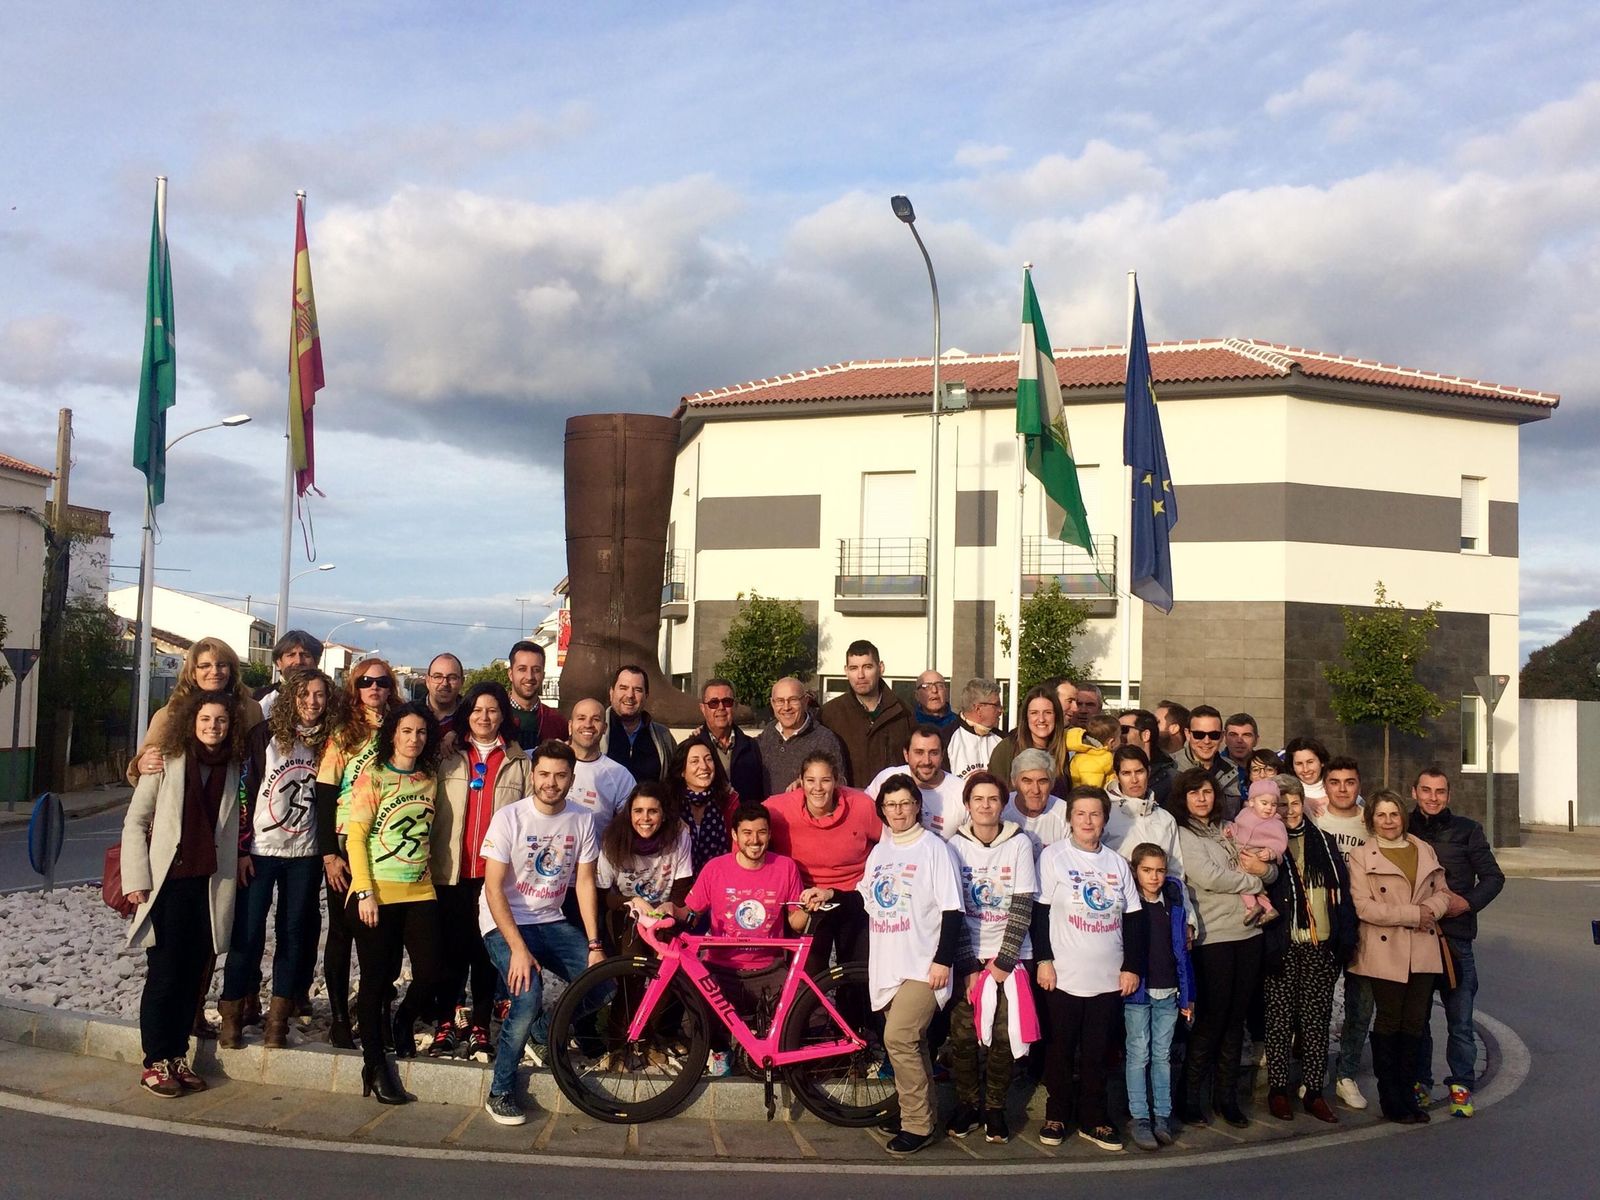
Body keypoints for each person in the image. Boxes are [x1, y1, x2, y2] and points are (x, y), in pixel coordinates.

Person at [121, 689, 245, 1097]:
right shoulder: (167, 760)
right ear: (193, 722)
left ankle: (177, 1055)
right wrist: (136, 879)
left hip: (208, 886)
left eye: (221, 721)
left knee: (192, 975)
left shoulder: (230, 767)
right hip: (167, 885)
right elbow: (136, 822)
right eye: (206, 719)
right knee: (165, 974)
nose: (214, 727)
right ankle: (154, 1061)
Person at [478, 740, 606, 1125]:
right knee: (527, 996)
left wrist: (595, 943)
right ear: (533, 775)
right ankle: (500, 1090)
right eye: (545, 774)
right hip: (504, 923)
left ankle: (542, 1032)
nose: (551, 782)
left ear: (571, 778)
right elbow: (492, 887)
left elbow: (584, 883)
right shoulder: (510, 818)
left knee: (602, 984)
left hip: (549, 920)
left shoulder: (582, 819)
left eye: (560, 775)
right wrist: (517, 948)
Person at [220, 667, 338, 1050]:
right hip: (259, 851)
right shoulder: (264, 736)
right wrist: (240, 848)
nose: (312, 703)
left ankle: (277, 1022)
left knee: (293, 936)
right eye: (305, 695)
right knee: (248, 934)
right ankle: (233, 1014)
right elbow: (242, 791)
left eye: (319, 695)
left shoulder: (333, 742)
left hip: (304, 854)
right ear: (291, 697)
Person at [1030, 785, 1146, 1152]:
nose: (1087, 820)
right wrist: (1044, 960)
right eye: (1080, 813)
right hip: (1063, 975)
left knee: (1098, 1051)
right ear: (1070, 819)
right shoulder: (1052, 857)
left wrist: (1131, 967)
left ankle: (1095, 1118)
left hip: (1108, 977)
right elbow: (1041, 913)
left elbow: (1133, 920)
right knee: (1061, 1048)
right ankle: (1057, 1114)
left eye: (1095, 814)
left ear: (1105, 820)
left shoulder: (1115, 863)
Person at [344, 702, 445, 1105]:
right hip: (377, 893)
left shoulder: (429, 777)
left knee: (433, 971)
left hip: (420, 890)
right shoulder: (375, 776)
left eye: (421, 732)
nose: (413, 739)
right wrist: (364, 891)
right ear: (393, 734)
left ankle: (402, 1022)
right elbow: (355, 837)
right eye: (406, 731)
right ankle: (375, 1063)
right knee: (375, 981)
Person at [859, 774, 964, 1155]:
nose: (898, 811)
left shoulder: (934, 849)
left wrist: (943, 961)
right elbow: (868, 899)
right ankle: (917, 1112)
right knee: (914, 1045)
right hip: (889, 963)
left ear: (918, 805)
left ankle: (917, 1126)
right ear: (882, 810)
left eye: (905, 803)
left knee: (898, 1038)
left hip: (924, 966)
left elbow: (953, 910)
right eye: (890, 805)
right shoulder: (880, 852)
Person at [427, 681, 531, 1060]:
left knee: (485, 954)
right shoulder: (449, 754)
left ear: (504, 714)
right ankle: (445, 1023)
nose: (484, 717)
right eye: (476, 710)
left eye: (492, 710)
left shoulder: (521, 762)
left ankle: (481, 1026)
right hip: (451, 870)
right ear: (466, 714)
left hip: (495, 876)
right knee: (451, 951)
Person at [1167, 766, 1275, 1128]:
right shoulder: (1183, 834)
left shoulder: (1230, 829)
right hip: (1214, 937)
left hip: (1250, 935)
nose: (1202, 798)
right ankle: (1189, 1098)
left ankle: (1226, 1098)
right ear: (1183, 798)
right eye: (1194, 792)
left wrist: (1263, 873)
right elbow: (1208, 876)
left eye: (1208, 792)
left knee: (1236, 1019)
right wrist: (1254, 880)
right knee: (1211, 1020)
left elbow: (1270, 866)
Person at [676, 804, 811, 1075]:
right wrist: (664, 911)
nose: (755, 840)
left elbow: (796, 921)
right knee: (693, 1023)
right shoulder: (715, 868)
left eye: (761, 832)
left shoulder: (785, 867)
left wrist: (808, 907)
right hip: (720, 968)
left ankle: (755, 1042)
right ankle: (727, 1048)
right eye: (747, 833)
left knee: (810, 1017)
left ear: (770, 834)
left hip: (769, 968)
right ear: (734, 835)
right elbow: (689, 912)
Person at [314, 656, 404, 1048]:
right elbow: (325, 792)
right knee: (342, 931)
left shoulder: (401, 726)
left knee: (385, 934)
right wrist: (329, 854)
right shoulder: (344, 732)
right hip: (347, 842)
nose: (374, 689)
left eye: (381, 682)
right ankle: (337, 1017)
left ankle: (378, 1009)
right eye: (366, 682)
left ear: (391, 688)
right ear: (355, 687)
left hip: (388, 843)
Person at [1346, 789, 1451, 1124]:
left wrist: (1430, 910)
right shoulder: (1361, 857)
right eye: (1381, 815)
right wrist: (1412, 915)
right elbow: (1363, 906)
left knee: (1415, 1023)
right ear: (1371, 820)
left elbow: (1444, 893)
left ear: (1403, 816)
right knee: (1389, 1021)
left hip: (1422, 946)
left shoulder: (1424, 849)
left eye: (1394, 814)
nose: (1388, 821)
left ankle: (1409, 1094)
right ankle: (1390, 1097)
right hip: (1384, 947)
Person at [945, 771, 1038, 1145]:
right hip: (968, 957)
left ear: (1003, 804)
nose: (985, 806)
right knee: (964, 1036)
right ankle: (968, 1105)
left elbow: (1022, 904)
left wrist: (1002, 962)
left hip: (1010, 958)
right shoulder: (952, 846)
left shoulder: (1019, 843)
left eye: (993, 799)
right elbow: (952, 908)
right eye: (978, 800)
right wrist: (968, 965)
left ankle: (995, 1107)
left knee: (1002, 1035)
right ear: (967, 806)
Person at [1408, 766, 1503, 1118]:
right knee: (1417, 1020)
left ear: (1449, 795)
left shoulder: (1467, 830)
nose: (1433, 798)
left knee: (1460, 1020)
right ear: (1414, 791)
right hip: (1416, 937)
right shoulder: (1401, 826)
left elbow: (1494, 877)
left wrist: (1470, 902)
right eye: (1426, 790)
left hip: (1456, 938)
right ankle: (1420, 1083)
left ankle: (1462, 1084)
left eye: (1440, 792)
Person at [1260, 774, 1355, 1124]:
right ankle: (1278, 1089)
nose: (1288, 810)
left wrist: (1342, 943)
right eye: (1281, 804)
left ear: (1303, 803)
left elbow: (1342, 894)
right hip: (1283, 945)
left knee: (1316, 1022)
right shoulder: (1267, 844)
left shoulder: (1325, 844)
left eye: (1294, 803)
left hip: (1320, 946)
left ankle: (1314, 1090)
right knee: (1280, 1022)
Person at [1122, 843, 1194, 1151]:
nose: (1154, 877)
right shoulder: (1129, 904)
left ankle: (1162, 1115)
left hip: (1169, 991)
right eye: (1147, 870)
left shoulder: (1173, 902)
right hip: (1138, 992)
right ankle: (1139, 1117)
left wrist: (1187, 996)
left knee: (1162, 1055)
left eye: (1160, 870)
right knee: (1139, 1054)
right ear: (1135, 871)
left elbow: (1182, 952)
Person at [129, 637, 265, 785]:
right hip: (183, 800)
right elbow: (138, 769)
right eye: (205, 666)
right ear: (193, 672)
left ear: (231, 670)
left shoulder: (251, 710)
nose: (214, 671)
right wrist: (141, 764)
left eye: (221, 665)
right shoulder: (170, 714)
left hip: (237, 799)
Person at [1319, 755, 1376, 1110]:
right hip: (1324, 926)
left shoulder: (1371, 822)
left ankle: (1347, 1074)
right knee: (1319, 1004)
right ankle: (1316, 1072)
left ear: (1358, 785)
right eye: (1335, 782)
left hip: (1365, 926)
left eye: (1349, 782)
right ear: (1325, 785)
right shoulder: (1314, 818)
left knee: (1360, 1005)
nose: (1342, 789)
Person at [597, 780, 694, 956]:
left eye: (653, 811)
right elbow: (603, 894)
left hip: (663, 911)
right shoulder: (613, 839)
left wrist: (668, 909)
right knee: (632, 961)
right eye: (638, 811)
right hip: (627, 911)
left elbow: (682, 888)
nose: (645, 818)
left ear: (663, 815)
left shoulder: (679, 837)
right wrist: (632, 901)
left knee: (666, 962)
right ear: (630, 814)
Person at [818, 640, 913, 787]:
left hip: (892, 804)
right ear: (846, 671)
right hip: (848, 803)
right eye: (854, 668)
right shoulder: (829, 714)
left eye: (867, 667)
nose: (860, 675)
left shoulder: (903, 712)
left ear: (880, 668)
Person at [865, 725, 965, 839]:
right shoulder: (886, 779)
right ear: (906, 755)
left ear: (942, 755)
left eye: (933, 753)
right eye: (919, 752)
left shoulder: (961, 790)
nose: (926, 761)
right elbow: (860, 812)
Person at [756, 675, 845, 795]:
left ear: (805, 701)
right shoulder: (767, 736)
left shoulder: (825, 740)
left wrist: (808, 783)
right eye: (780, 701)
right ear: (772, 703)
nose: (786, 707)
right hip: (769, 811)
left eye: (793, 700)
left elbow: (841, 784)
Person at [1103, 745, 1183, 876]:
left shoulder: (1165, 819)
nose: (1134, 780)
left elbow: (1176, 871)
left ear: (1149, 772)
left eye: (1139, 772)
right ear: (1117, 776)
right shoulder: (1104, 815)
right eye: (1126, 773)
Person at [566, 697, 637, 838]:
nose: (588, 725)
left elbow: (634, 821)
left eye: (596, 719)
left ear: (604, 728)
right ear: (570, 726)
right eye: (581, 718)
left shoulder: (619, 774)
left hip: (597, 857)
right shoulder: (542, 761)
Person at [670, 739, 740, 876]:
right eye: (694, 761)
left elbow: (738, 845)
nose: (704, 766)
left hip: (721, 878)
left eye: (708, 759)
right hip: (677, 882)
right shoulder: (667, 803)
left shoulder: (729, 800)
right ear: (681, 771)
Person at [689, 677, 765, 803]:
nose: (721, 708)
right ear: (703, 708)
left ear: (734, 706)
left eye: (727, 702)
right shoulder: (691, 749)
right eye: (714, 703)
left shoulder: (752, 747)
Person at [599, 664, 677, 783]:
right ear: (611, 692)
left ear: (646, 696)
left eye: (638, 690)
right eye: (623, 688)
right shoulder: (595, 732)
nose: (630, 695)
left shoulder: (663, 736)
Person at [987, 685, 1068, 791]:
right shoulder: (1007, 749)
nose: (1041, 719)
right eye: (1034, 713)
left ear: (1056, 716)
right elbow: (993, 792)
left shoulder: (1065, 749)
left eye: (1048, 713)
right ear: (1026, 717)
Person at [1232, 779, 1288, 926]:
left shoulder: (1276, 823)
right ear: (1251, 802)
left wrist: (1272, 852)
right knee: (1251, 882)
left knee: (1241, 876)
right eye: (1264, 803)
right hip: (1245, 851)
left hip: (1261, 855)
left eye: (1273, 804)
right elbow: (1237, 827)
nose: (1269, 808)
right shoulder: (1244, 815)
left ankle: (1252, 906)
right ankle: (1268, 908)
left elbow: (1280, 843)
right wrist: (1230, 831)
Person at [1171, 706, 1242, 819]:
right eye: (1199, 735)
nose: (1206, 741)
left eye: (1214, 735)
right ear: (1188, 734)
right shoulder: (1171, 767)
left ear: (1222, 736)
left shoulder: (1232, 770)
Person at [1002, 748, 1069, 853]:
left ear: (1052, 784)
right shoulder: (1000, 810)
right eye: (1027, 781)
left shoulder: (1065, 813)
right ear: (1014, 781)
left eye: (1042, 782)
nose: (1035, 790)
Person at [507, 640, 568, 744]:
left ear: (543, 675)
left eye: (536, 670)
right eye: (522, 669)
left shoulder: (557, 721)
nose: (529, 677)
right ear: (510, 674)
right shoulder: (495, 716)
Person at [254, 630, 324, 719]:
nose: (298, 661)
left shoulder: (333, 700)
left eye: (305, 655)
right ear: (278, 663)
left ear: (316, 662)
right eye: (291, 655)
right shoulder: (259, 700)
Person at [943, 677, 1004, 778]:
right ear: (978, 709)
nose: (1001, 710)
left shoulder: (1004, 740)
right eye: (996, 705)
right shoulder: (945, 739)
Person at [1120, 709, 1176, 803]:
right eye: (1115, 729)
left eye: (1123, 730)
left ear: (1146, 735)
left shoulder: (1172, 780)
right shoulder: (1107, 772)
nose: (1118, 735)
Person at [1064, 714, 1120, 789]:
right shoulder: (1093, 762)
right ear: (1111, 742)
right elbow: (1091, 791)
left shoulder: (1090, 755)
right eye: (1119, 736)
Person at [1220, 713, 1259, 815]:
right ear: (1225, 738)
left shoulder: (1268, 767)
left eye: (1246, 735)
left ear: (1256, 740)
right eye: (1233, 735)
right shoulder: (1215, 767)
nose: (1239, 740)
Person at [1284, 736, 1331, 819]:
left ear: (1322, 762)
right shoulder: (1283, 792)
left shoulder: (1340, 789)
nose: (1305, 769)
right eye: (1299, 763)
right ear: (1292, 766)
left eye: (1310, 762)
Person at [422, 653, 466, 735]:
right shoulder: (408, 715)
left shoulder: (473, 718)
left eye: (452, 677)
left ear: (462, 682)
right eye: (438, 677)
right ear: (427, 681)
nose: (445, 683)